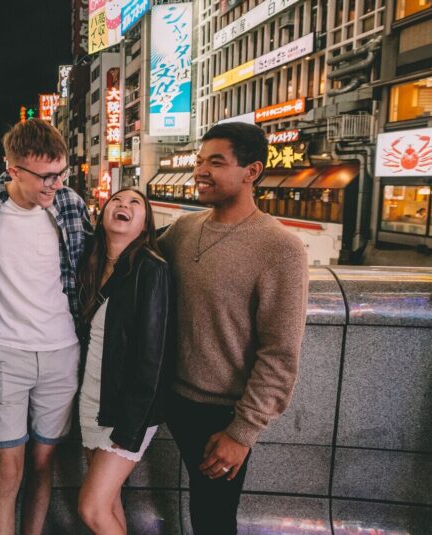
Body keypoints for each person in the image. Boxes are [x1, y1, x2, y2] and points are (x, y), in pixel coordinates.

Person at [158, 122, 308, 533]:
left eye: (216, 163)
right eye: (199, 162)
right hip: (171, 397)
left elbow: (281, 352)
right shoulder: (183, 229)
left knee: (213, 519)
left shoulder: (280, 248)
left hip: (222, 415)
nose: (200, 172)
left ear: (251, 171)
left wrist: (242, 433)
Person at [0, 119, 91, 535]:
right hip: (5, 353)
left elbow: (100, 256)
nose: (56, 184)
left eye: (61, 173)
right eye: (46, 176)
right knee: (6, 468)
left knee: (43, 464)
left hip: (61, 352)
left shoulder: (70, 204)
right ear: (13, 169)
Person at [75, 188, 171, 535]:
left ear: (146, 223)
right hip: (93, 400)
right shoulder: (93, 263)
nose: (123, 205)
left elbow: (152, 356)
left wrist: (130, 426)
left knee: (91, 508)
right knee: (109, 504)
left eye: (135, 203)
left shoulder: (151, 269)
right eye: (116, 200)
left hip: (127, 410)